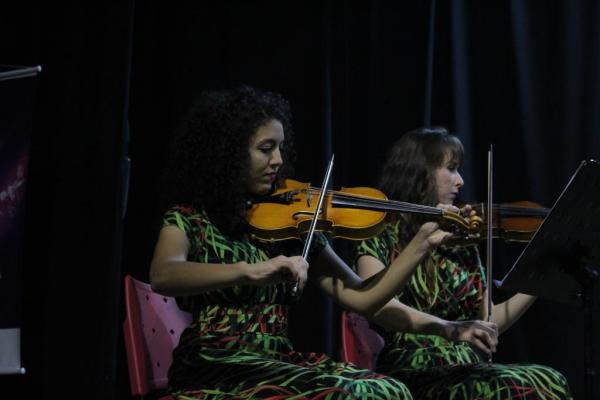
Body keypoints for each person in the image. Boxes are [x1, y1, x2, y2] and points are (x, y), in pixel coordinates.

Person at [150, 86, 451, 399]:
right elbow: (164, 274)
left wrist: (421, 244)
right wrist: (249, 271)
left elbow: (364, 298)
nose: (278, 160)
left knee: (390, 390)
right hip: (216, 364)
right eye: (266, 149)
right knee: (352, 395)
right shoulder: (190, 218)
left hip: (276, 361)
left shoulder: (291, 227)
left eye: (281, 148)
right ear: (229, 152)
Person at [354, 127, 572, 399]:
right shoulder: (381, 233)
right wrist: (448, 328)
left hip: (466, 364)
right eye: (451, 169)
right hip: (411, 367)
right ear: (420, 172)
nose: (461, 181)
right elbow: (377, 303)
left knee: (549, 379)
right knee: (505, 386)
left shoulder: (460, 243)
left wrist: (539, 279)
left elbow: (489, 320)